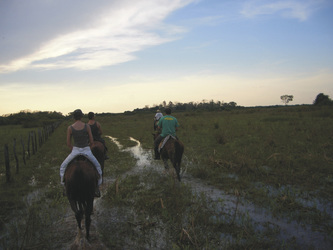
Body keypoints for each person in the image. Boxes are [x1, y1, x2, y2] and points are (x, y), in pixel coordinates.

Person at [59, 109, 102, 197]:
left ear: (73, 117)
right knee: (98, 167)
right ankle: (97, 187)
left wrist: (74, 149)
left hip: (75, 150)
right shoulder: (87, 126)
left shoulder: (70, 128)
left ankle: (65, 187)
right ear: (82, 117)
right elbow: (91, 141)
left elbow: (68, 143)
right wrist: (88, 148)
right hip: (86, 149)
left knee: (63, 167)